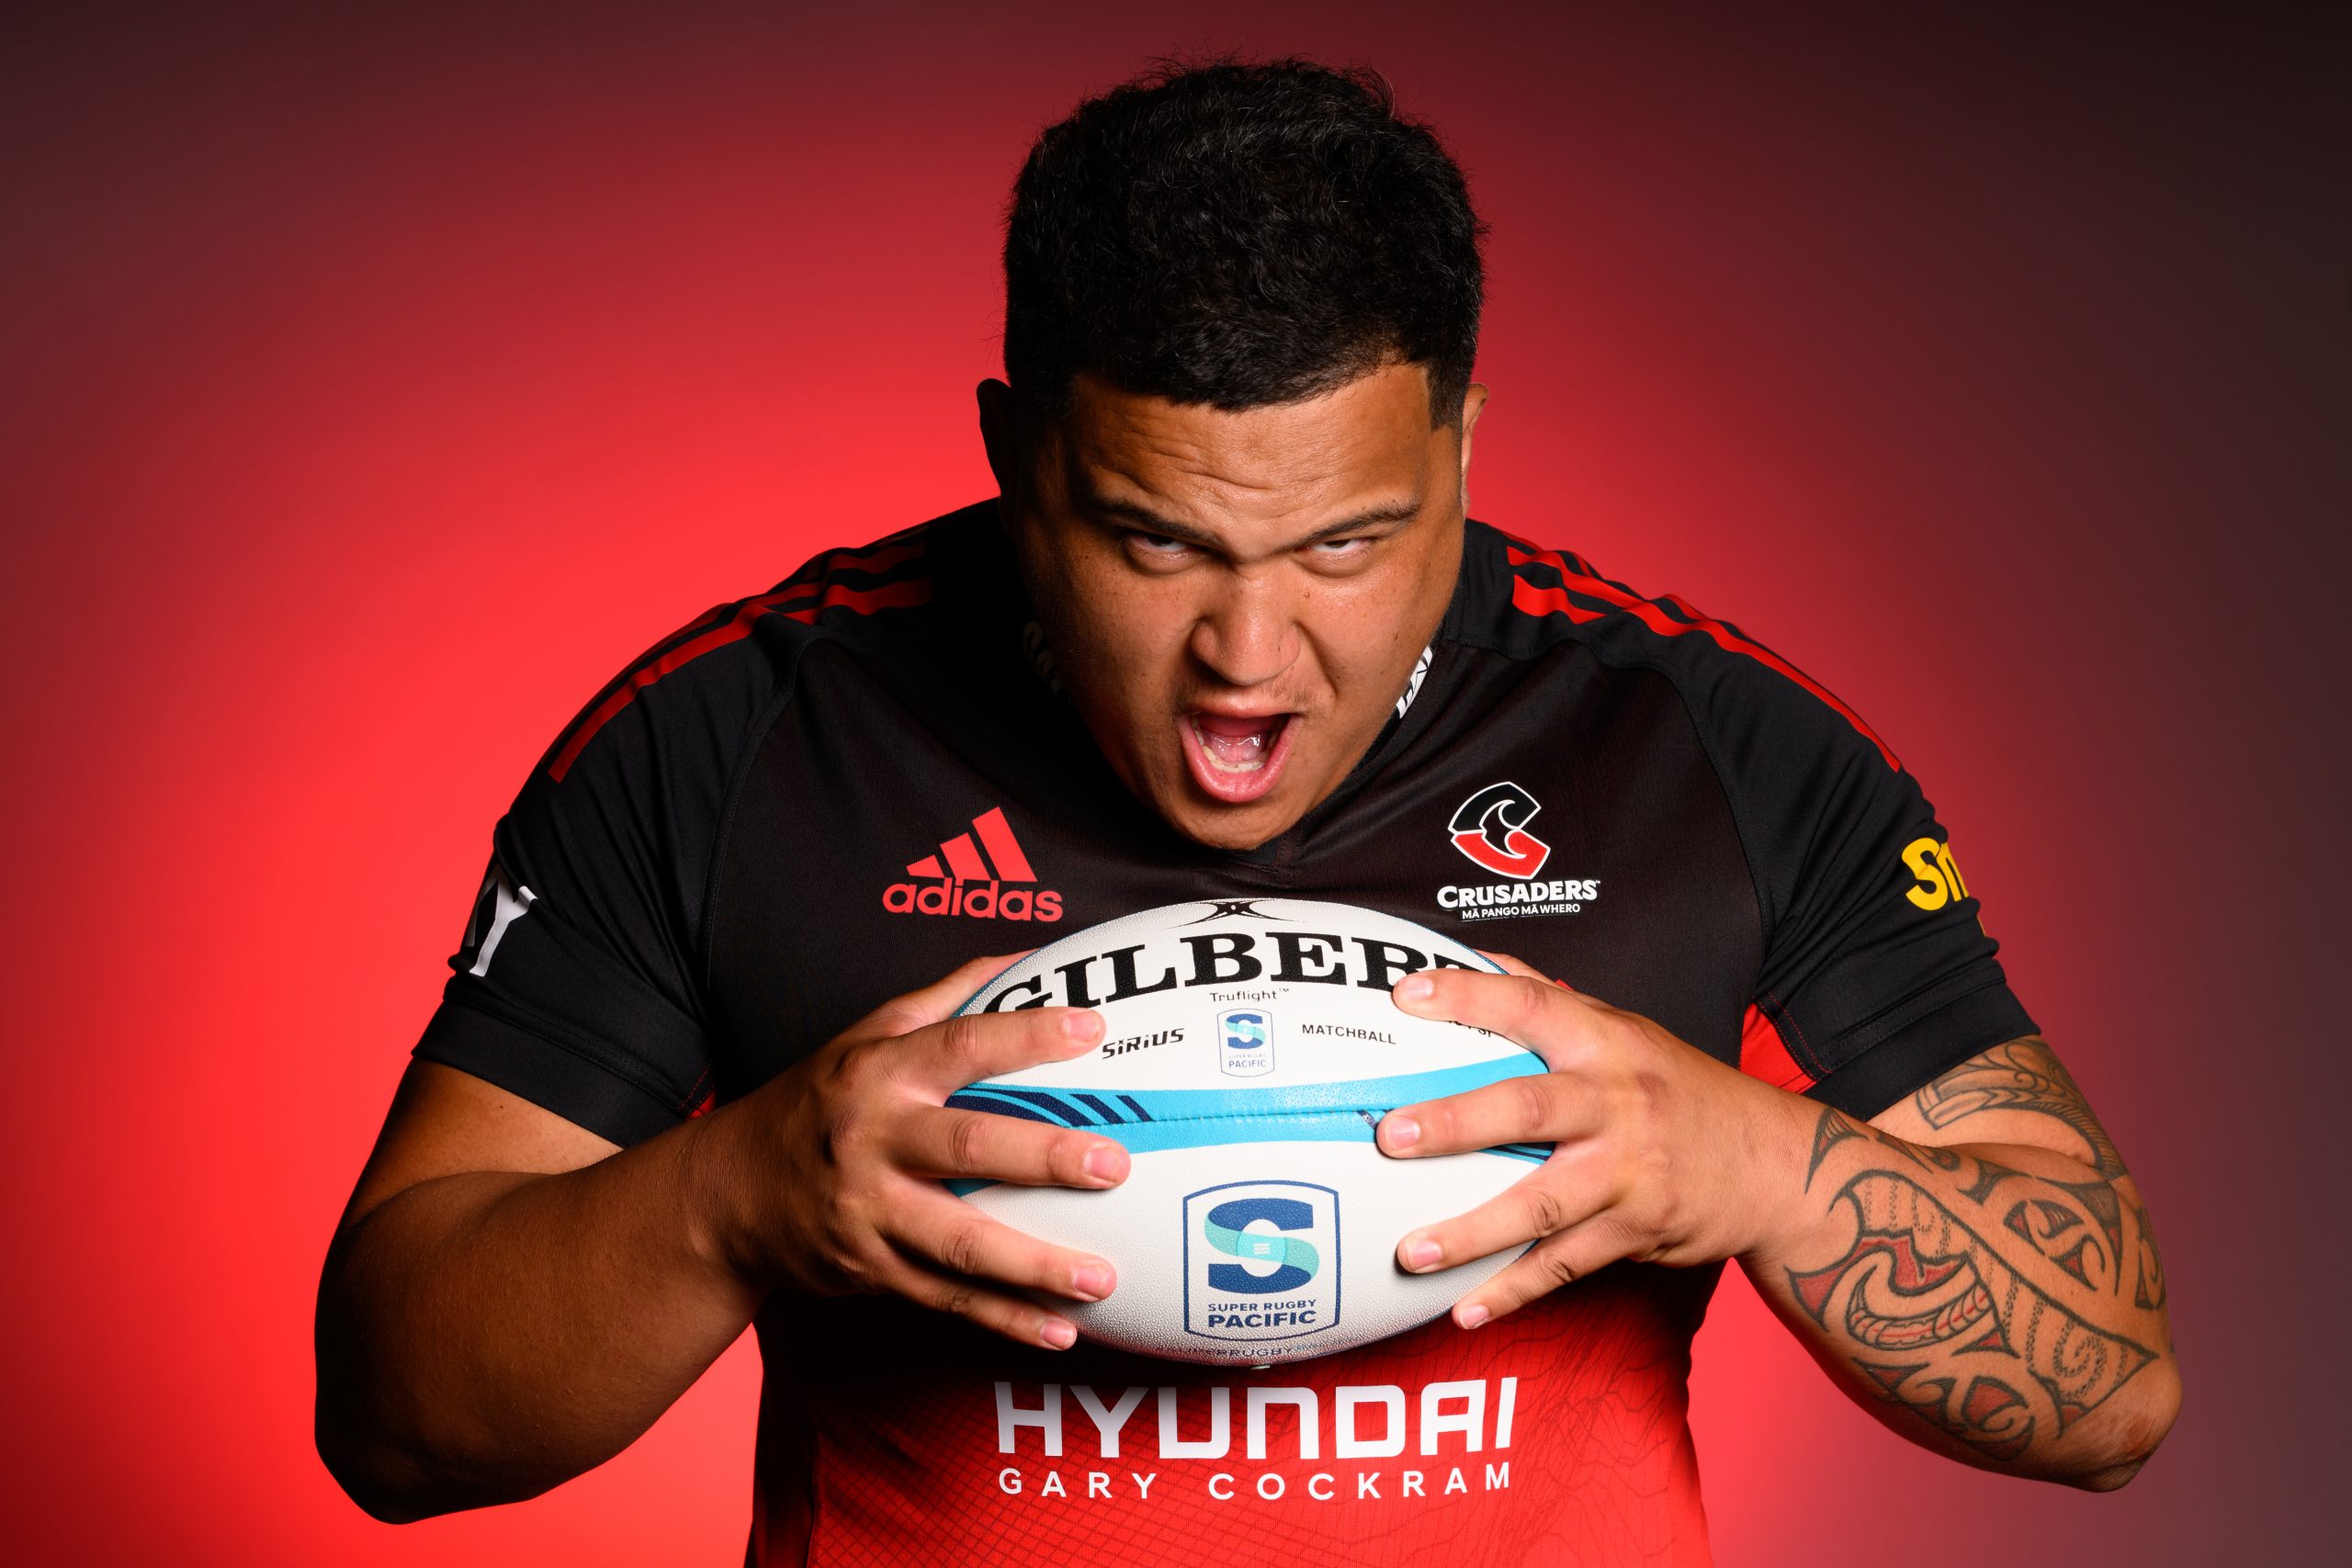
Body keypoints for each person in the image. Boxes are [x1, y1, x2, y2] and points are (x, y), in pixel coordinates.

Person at [314, 57, 2178, 1565]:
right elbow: (393, 1419)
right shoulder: (738, 735)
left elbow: (2109, 1395)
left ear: (1460, 445)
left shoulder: (1698, 742)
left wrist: (1749, 1161)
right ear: (1009, 452)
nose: (1247, 654)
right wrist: (729, 1195)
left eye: (1348, 542)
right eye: (1153, 539)